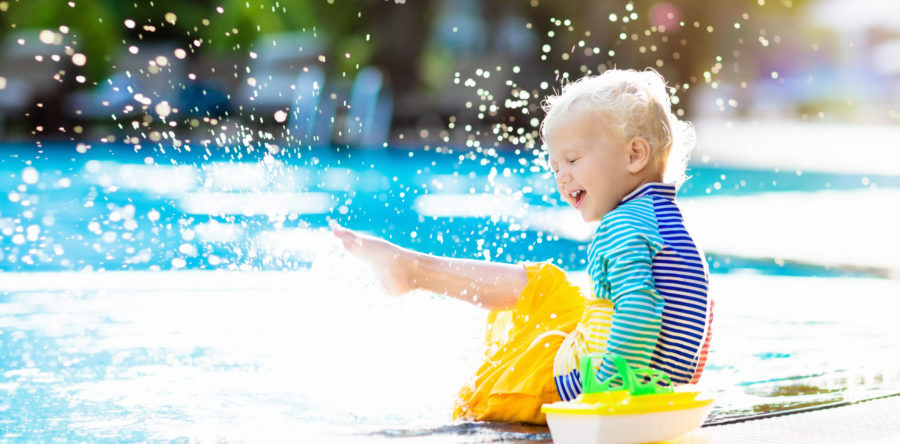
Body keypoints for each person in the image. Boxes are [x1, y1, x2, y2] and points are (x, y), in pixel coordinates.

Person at [332, 68, 713, 425]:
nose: (562, 178)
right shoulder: (670, 225)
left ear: (634, 155)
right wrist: (680, 385)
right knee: (544, 284)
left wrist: (604, 397)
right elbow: (699, 312)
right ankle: (412, 270)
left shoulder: (621, 228)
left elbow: (640, 310)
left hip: (583, 387)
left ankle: (415, 280)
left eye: (573, 160)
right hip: (633, 372)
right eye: (554, 167)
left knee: (489, 388)